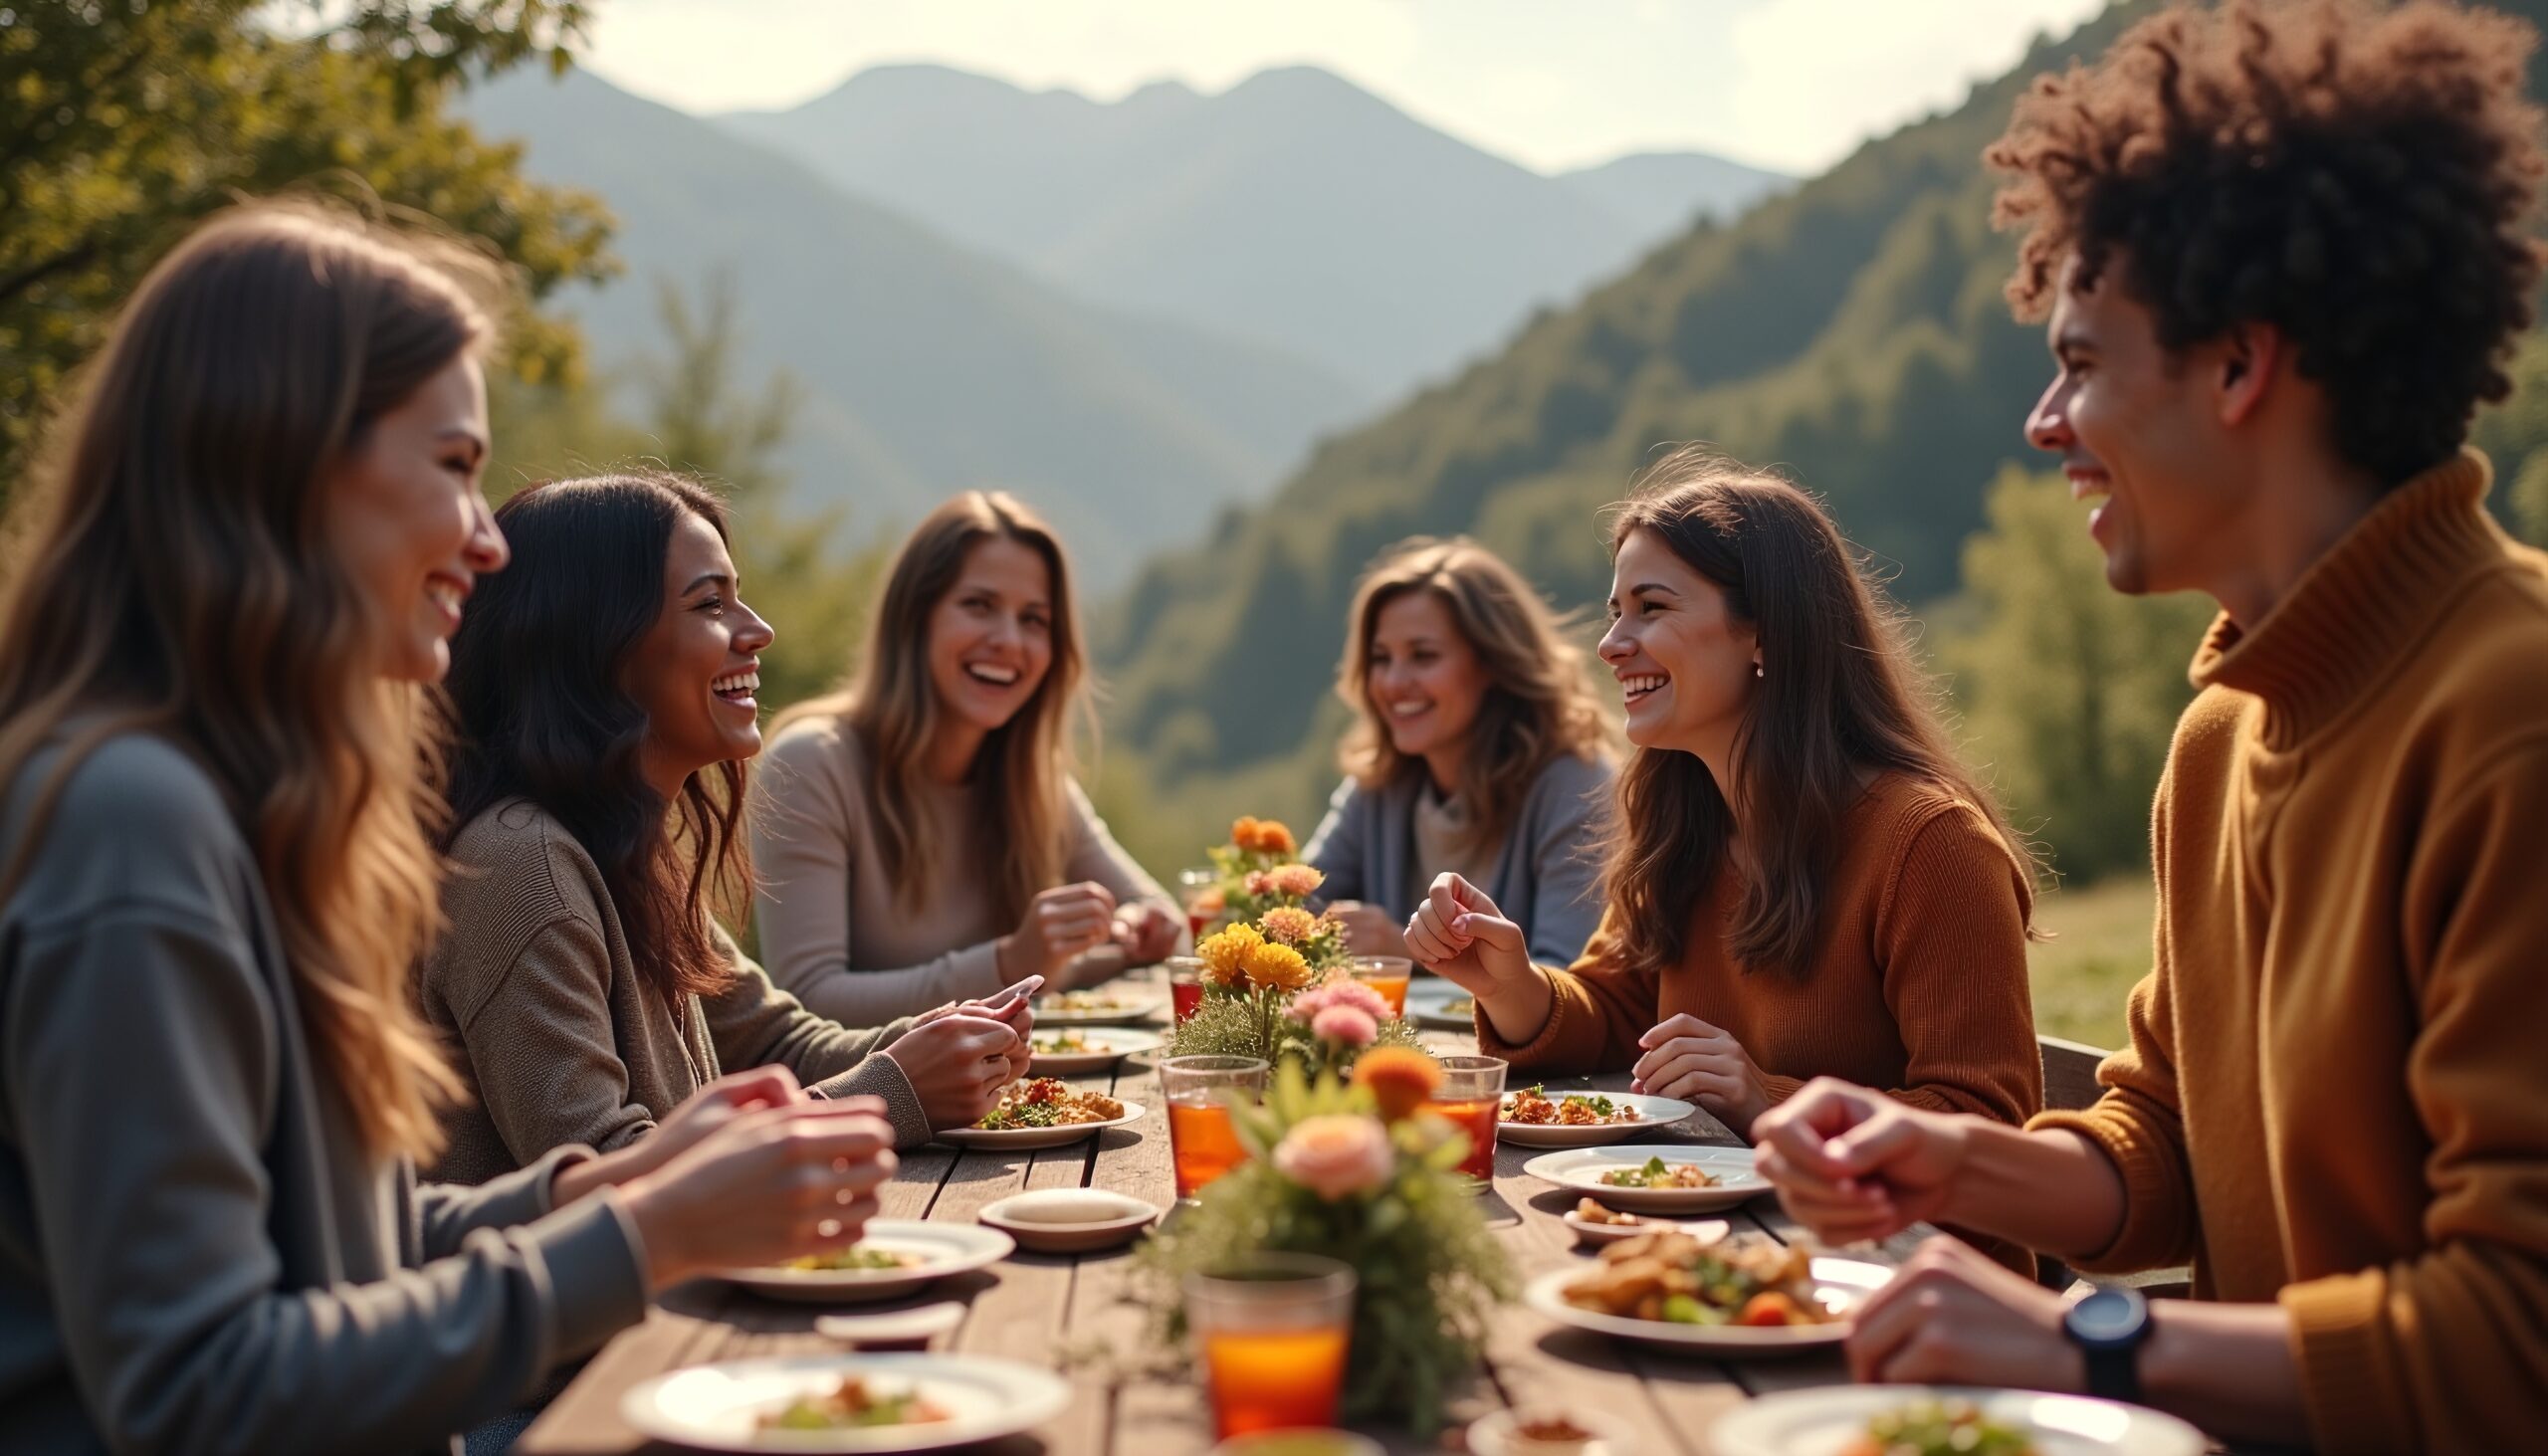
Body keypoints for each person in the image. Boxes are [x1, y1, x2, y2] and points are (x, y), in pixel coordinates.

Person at [1748, 3, 2548, 1450]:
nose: (2047, 422)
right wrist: (1945, 1159)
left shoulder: (2514, 717)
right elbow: (2167, 1151)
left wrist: (2076, 1339)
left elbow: (2517, 1336)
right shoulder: (2223, 737)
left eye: (2083, 361)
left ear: (2240, 365)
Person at [0, 203, 897, 1454]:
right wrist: (649, 1237)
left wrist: (612, 1185)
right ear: (288, 463)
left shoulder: (255, 815)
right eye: (458, 466)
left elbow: (349, 1243)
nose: (486, 541)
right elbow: (198, 1384)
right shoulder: (132, 831)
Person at [1403, 455, 2042, 1154]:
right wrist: (1512, 984)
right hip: (1729, 1236)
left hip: (1895, 1260)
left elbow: (1992, 1131)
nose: (1610, 644)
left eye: (1652, 607)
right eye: (1617, 611)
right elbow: (1619, 1008)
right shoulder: (1687, 822)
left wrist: (1763, 1097)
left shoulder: (1932, 845)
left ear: (1764, 631)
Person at [421, 472, 1029, 1182]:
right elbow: (608, 1177)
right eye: (712, 603)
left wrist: (939, 1043)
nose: (758, 630)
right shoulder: (524, 869)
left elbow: (774, 1040)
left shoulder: (623, 845)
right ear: (598, 644)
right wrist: (894, 1090)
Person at [753, 491, 1181, 1025]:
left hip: (1019, 1097)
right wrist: (1012, 962)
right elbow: (810, 1003)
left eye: (1034, 620)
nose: (1008, 640)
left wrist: (1137, 934)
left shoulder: (1035, 780)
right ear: (914, 619)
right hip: (877, 1105)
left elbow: (1170, 922)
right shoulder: (811, 766)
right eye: (979, 606)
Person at [1302, 536, 1615, 967]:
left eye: (1423, 656)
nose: (1393, 683)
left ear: (1493, 663)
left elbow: (1571, 983)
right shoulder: (1376, 784)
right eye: (1380, 658)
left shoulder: (1578, 789)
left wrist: (1409, 951)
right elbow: (1295, 905)